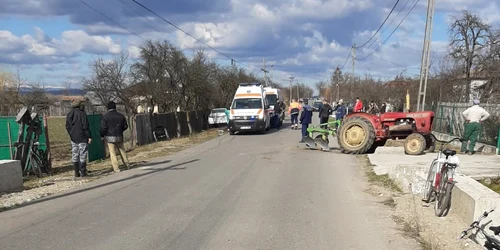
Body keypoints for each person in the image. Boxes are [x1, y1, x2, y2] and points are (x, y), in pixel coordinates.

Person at [100, 101, 130, 173]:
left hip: (109, 137)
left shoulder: (105, 117)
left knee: (112, 153)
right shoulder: (121, 116)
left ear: (108, 108)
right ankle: (127, 164)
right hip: (119, 136)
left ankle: (116, 168)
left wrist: (102, 135)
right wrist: (120, 130)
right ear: (115, 107)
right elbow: (125, 126)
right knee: (122, 151)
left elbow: (103, 128)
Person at [65, 100, 91, 178]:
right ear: (80, 105)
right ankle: (83, 171)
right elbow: (85, 126)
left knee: (75, 154)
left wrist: (71, 134)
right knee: (83, 154)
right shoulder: (82, 114)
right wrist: (89, 136)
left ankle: (76, 172)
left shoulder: (69, 114)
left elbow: (67, 126)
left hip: (73, 137)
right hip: (82, 136)